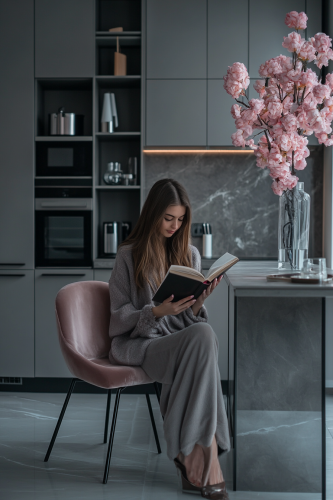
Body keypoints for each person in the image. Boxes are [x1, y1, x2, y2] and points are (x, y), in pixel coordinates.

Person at [108, 179, 230, 499]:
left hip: (178, 341)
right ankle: (204, 457)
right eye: (168, 218)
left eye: (181, 219)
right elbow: (118, 318)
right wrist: (155, 312)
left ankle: (191, 455)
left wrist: (198, 304)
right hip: (144, 345)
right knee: (204, 340)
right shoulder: (128, 255)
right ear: (153, 215)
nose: (175, 226)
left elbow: (187, 322)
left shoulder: (189, 253)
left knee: (203, 334)